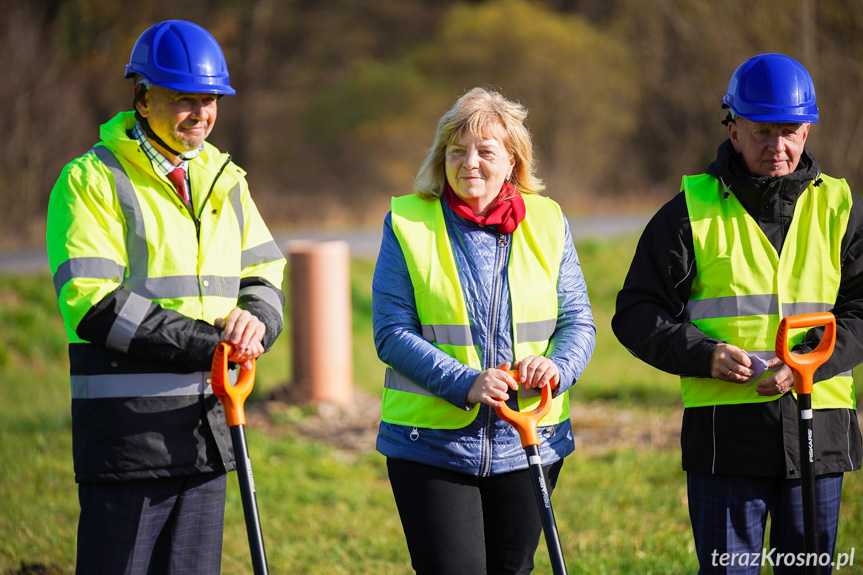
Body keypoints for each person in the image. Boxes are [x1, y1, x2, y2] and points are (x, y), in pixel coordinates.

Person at [46, 20, 286, 575]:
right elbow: (92, 302)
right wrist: (213, 346)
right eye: (184, 100)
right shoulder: (91, 180)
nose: (200, 114)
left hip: (210, 428)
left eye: (209, 100)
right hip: (131, 437)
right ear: (142, 96)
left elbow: (264, 270)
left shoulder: (226, 178)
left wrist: (256, 324)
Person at [613, 53, 863, 574]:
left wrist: (807, 366)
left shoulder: (844, 210)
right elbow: (636, 312)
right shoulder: (686, 212)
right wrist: (703, 355)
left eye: (791, 131)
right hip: (723, 440)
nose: (779, 146)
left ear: (808, 127)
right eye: (762, 132)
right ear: (732, 129)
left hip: (818, 432)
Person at [372, 87, 596, 574]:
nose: (469, 162)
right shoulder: (407, 222)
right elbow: (390, 331)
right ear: (442, 157)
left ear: (513, 160)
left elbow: (578, 318)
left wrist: (557, 367)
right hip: (429, 443)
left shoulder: (549, 221)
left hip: (531, 439)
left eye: (485, 151)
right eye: (457, 150)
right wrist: (465, 382)